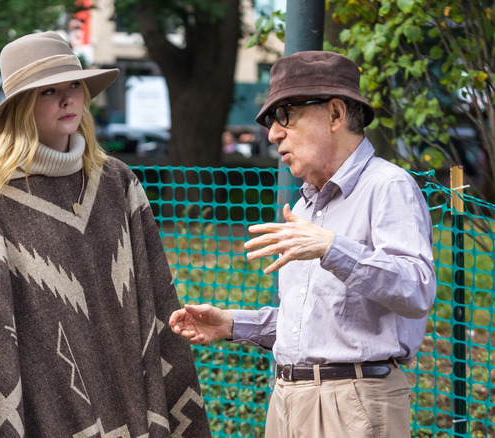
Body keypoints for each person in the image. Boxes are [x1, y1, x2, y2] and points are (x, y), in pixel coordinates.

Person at [0, 31, 211, 437]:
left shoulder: (117, 183)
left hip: (129, 394)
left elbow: (154, 295)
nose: (67, 100)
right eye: (48, 91)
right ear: (20, 107)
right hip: (42, 406)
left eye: (74, 86)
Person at [169, 51, 436, 437]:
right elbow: (315, 326)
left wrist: (332, 248)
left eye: (285, 115)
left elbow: (418, 289)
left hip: (353, 403)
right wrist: (231, 323)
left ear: (335, 114)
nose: (273, 133)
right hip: (287, 401)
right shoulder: (305, 206)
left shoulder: (387, 185)